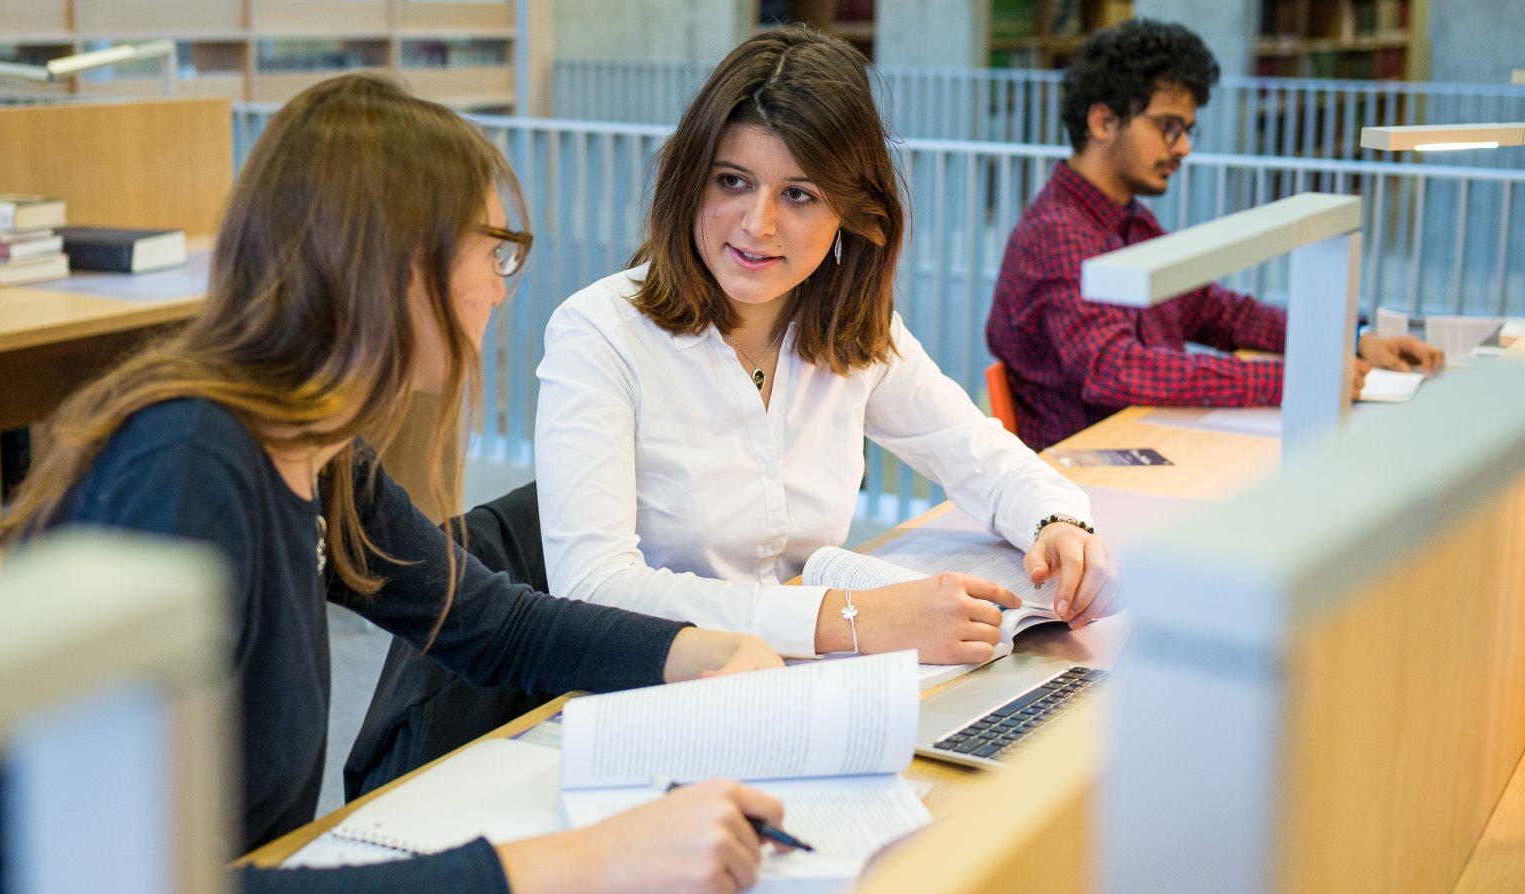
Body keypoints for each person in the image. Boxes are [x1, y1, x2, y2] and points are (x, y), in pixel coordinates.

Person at [0, 74, 794, 894]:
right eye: (491, 249)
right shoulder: (187, 471)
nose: (498, 285)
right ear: (398, 266)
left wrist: (705, 650)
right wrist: (590, 862)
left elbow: (492, 623)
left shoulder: (319, 452)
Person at [535, 27, 1118, 659]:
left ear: (849, 211)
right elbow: (592, 590)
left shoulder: (850, 328)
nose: (759, 225)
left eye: (799, 194)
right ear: (690, 182)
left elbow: (974, 453)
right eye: (732, 181)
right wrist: (853, 620)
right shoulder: (598, 335)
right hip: (665, 685)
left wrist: (1058, 520)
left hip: (809, 677)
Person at [985, 19, 1444, 451]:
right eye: (1168, 127)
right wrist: (1296, 379)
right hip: (1085, 483)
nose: (1183, 147)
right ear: (1103, 122)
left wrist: (1351, 338)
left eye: (1187, 130)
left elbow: (1218, 312)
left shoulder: (1129, 220)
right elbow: (1116, 369)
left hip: (1152, 444)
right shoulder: (1057, 234)